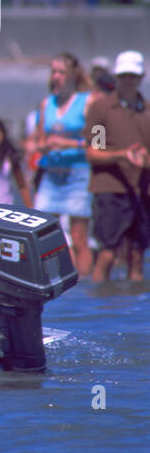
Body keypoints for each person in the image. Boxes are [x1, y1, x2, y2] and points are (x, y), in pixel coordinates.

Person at [85, 50, 150, 283]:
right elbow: (94, 151)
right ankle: (99, 306)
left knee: (137, 254)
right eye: (123, 76)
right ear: (116, 77)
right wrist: (122, 155)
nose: (128, 80)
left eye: (133, 75)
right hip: (110, 188)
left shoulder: (147, 111)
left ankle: (134, 310)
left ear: (141, 77)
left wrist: (144, 161)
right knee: (107, 253)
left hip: (142, 190)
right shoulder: (102, 109)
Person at [30, 52, 93, 275]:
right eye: (53, 71)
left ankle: (84, 285)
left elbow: (101, 141)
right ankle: (50, 278)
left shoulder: (88, 101)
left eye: (61, 72)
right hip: (51, 175)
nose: (56, 76)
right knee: (42, 231)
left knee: (78, 236)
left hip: (78, 173)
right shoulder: (46, 104)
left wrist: (67, 143)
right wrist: (39, 146)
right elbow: (38, 139)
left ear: (73, 74)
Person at [0, 116, 34, 209]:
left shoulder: (9, 158)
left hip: (5, 207)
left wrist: (30, 207)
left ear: (3, 133)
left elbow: (22, 185)